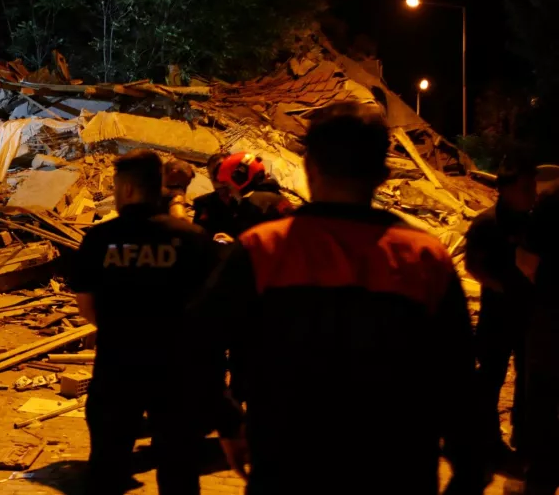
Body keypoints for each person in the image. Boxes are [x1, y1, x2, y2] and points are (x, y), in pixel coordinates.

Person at [199, 102, 490, 494]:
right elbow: (458, 383)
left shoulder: (261, 250)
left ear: (310, 168)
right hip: (397, 474)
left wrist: (230, 423)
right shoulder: (424, 260)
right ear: (383, 175)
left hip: (288, 473)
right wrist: (469, 469)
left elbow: (194, 344)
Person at [69, 150, 214, 495]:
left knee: (108, 466)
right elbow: (209, 310)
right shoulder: (192, 239)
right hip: (177, 372)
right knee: (179, 469)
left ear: (130, 190)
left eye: (118, 188)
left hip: (117, 368)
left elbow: (86, 306)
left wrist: (121, 329)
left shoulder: (100, 240)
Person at [464, 155, 537, 458]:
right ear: (505, 189)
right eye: (525, 189)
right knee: (491, 376)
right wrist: (502, 288)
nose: (532, 194)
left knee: (528, 379)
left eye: (533, 187)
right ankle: (488, 440)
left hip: (529, 315)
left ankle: (523, 436)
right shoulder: (486, 224)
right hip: (497, 316)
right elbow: (472, 267)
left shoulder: (534, 222)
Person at [516, 179, 559, 494]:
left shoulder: (552, 199)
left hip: (552, 320)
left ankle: (541, 480)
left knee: (543, 401)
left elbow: (526, 261)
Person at [192, 152, 293, 242]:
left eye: (221, 172)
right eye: (213, 176)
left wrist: (235, 245)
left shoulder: (254, 203)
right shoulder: (205, 204)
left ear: (237, 175)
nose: (218, 180)